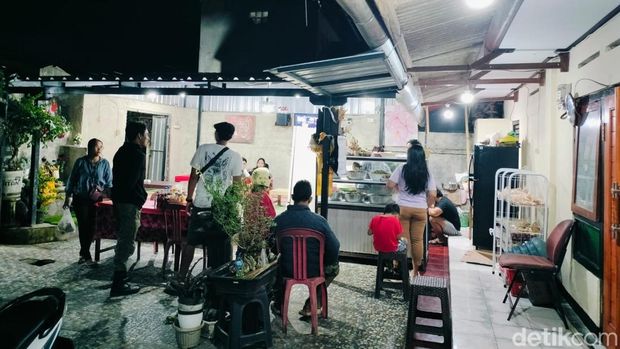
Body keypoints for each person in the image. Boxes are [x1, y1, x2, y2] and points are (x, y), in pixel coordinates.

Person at [178, 122, 243, 279]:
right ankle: (217, 279)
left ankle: (181, 276)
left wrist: (189, 198)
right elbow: (237, 186)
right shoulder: (236, 156)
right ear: (230, 136)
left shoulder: (203, 149)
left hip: (200, 204)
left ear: (216, 134)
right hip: (221, 207)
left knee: (191, 241)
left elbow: (193, 176)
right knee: (219, 244)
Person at [271, 180, 340, 317]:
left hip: (285, 270)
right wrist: (324, 263)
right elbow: (335, 247)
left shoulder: (279, 221)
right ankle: (311, 305)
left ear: (292, 197)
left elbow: (271, 247)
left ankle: (279, 305)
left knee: (274, 268)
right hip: (314, 271)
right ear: (310, 199)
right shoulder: (320, 222)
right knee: (333, 268)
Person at [109, 122, 149, 297]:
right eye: (146, 135)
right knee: (126, 241)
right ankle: (118, 283)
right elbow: (130, 183)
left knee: (123, 239)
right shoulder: (137, 155)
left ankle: (121, 278)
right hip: (129, 203)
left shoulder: (120, 151)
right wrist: (140, 198)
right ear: (139, 136)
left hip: (119, 201)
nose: (148, 138)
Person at [387, 143, 436, 282]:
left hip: (403, 208)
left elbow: (389, 184)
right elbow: (433, 193)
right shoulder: (426, 173)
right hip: (420, 209)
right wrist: (426, 205)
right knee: (417, 240)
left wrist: (399, 189)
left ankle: (399, 269)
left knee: (402, 240)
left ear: (409, 156)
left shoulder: (402, 168)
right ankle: (415, 272)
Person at [64, 138, 112, 267]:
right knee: (83, 225)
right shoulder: (80, 162)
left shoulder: (105, 164)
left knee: (92, 226)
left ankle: (83, 252)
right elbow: (72, 179)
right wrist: (68, 196)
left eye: (101, 147)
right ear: (90, 147)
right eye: (98, 147)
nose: (100, 149)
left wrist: (104, 194)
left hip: (97, 200)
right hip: (81, 198)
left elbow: (109, 182)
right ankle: (86, 254)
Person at [368, 203, 407, 274]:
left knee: (386, 248)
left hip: (378, 247)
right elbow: (398, 238)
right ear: (396, 213)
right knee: (404, 242)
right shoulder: (395, 220)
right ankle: (400, 268)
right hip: (391, 248)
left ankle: (389, 267)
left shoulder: (375, 218)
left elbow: (369, 233)